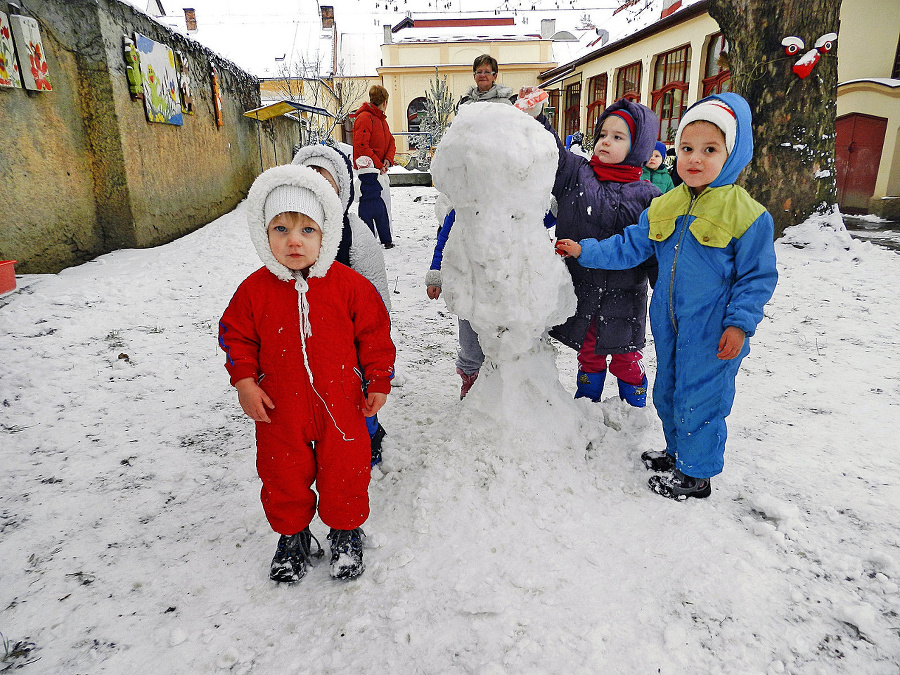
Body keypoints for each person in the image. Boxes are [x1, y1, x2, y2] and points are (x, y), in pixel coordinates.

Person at [554, 93, 778, 500]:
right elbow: (629, 246)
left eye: (710, 150)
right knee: (669, 389)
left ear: (733, 152)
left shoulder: (746, 214)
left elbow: (757, 277)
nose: (695, 159)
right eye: (687, 148)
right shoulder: (667, 203)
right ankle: (678, 453)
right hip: (671, 322)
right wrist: (585, 250)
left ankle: (697, 475)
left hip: (714, 329)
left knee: (702, 396)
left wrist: (740, 324)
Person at [218, 164, 395, 582]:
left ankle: (346, 530)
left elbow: (375, 335)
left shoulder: (350, 287)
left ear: (326, 234)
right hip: (280, 409)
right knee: (283, 474)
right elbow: (236, 337)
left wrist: (379, 380)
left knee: (346, 471)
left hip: (343, 405)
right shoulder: (253, 291)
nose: (293, 240)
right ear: (265, 235)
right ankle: (292, 534)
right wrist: (244, 381)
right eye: (281, 229)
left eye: (307, 230)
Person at [531, 95, 661, 407]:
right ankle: (586, 408)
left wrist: (669, 291)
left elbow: (655, 251)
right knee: (588, 354)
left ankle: (634, 409)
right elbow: (555, 156)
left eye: (618, 137)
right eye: (602, 134)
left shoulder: (649, 197)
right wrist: (538, 117)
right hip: (583, 290)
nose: (605, 142)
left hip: (626, 297)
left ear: (639, 146)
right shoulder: (577, 174)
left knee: (626, 358)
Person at [292, 143, 392, 465]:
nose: (317, 188)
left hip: (350, 340)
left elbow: (376, 294)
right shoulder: (288, 234)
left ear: (341, 189)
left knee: (356, 398)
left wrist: (375, 349)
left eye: (326, 181)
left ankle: (370, 434)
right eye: (309, 179)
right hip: (306, 340)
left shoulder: (355, 235)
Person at [426, 54, 516, 398]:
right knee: (469, 337)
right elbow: (444, 240)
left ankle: (501, 388)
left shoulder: (504, 103)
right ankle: (470, 380)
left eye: (487, 72)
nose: (482, 76)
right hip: (468, 283)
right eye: (478, 72)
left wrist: (546, 206)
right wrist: (436, 273)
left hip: (497, 284)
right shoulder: (459, 210)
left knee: (500, 335)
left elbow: (535, 221)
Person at [353, 85, 396, 248]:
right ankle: (371, 239)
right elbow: (362, 145)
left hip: (378, 168)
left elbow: (391, 142)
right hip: (368, 170)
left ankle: (385, 236)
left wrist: (387, 160)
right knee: (373, 204)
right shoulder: (366, 118)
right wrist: (380, 165)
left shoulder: (380, 119)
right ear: (385, 102)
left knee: (382, 204)